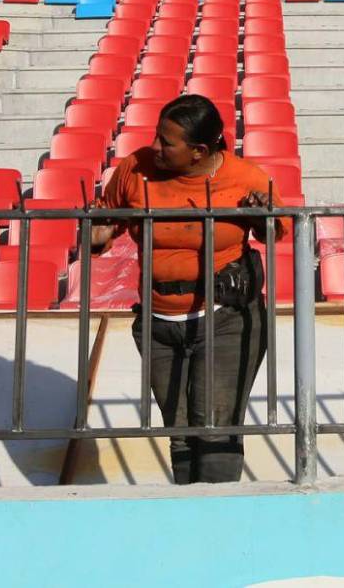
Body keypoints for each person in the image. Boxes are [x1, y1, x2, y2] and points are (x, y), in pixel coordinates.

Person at [94, 94, 289, 484]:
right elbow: (105, 219)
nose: (155, 147)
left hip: (223, 321)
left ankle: (219, 527)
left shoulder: (245, 177)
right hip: (158, 322)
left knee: (214, 429)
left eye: (167, 142)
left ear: (199, 151)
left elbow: (279, 231)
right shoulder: (136, 168)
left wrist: (262, 215)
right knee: (179, 433)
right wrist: (97, 231)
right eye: (157, 137)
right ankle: (188, 515)